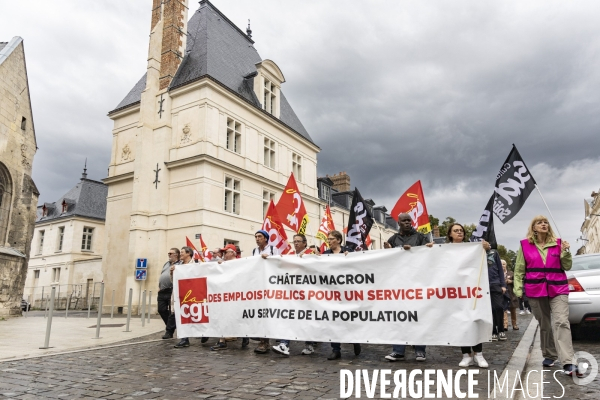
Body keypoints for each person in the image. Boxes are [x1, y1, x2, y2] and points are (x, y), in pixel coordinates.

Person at [513, 216, 580, 376]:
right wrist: (518, 289)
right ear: (534, 227)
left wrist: (565, 252)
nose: (544, 224)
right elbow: (519, 269)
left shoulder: (558, 243)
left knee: (561, 322)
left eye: (546, 222)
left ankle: (569, 362)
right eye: (540, 222)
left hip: (558, 288)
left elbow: (567, 265)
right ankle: (549, 354)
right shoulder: (525, 245)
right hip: (535, 288)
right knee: (545, 323)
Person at [446, 223, 498, 368]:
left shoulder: (472, 248)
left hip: (472, 290)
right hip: (454, 292)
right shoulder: (444, 250)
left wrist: (486, 250)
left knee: (475, 320)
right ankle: (466, 354)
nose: (459, 232)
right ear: (450, 234)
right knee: (460, 322)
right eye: (456, 231)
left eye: (461, 230)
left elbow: (487, 262)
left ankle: (479, 354)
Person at [383, 213, 433, 362]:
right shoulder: (393, 239)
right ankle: (398, 351)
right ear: (398, 223)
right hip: (399, 284)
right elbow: (387, 261)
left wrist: (425, 248)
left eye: (409, 220)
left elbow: (429, 255)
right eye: (404, 221)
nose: (407, 223)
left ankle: (420, 351)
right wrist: (388, 250)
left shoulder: (420, 237)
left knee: (418, 316)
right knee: (399, 317)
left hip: (416, 282)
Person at [273, 234, 317, 356]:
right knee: (289, 316)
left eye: (298, 241)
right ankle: (284, 344)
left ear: (304, 243)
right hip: (292, 292)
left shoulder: (311, 253)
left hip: (307, 293)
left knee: (307, 318)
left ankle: (309, 345)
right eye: (294, 241)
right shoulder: (291, 254)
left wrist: (311, 258)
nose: (296, 243)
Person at [322, 230, 361, 360]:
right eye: (327, 239)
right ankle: (336, 349)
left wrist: (350, 258)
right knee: (334, 320)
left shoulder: (348, 251)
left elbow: (358, 267)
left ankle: (355, 339)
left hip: (346, 292)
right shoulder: (325, 254)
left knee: (348, 319)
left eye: (331, 239)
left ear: (338, 240)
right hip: (332, 292)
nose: (328, 241)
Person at [210, 244, 249, 350]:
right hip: (225, 295)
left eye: (225, 252)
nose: (223, 255)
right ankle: (221, 340)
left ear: (232, 253)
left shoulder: (240, 263)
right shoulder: (223, 264)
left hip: (237, 295)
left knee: (237, 317)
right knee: (222, 316)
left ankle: (245, 334)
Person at [173, 246, 209, 348]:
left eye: (182, 252)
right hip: (182, 296)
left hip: (195, 295)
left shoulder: (197, 264)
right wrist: (173, 273)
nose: (180, 254)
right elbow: (174, 282)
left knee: (198, 315)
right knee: (184, 316)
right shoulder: (178, 266)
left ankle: (205, 333)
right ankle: (185, 339)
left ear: (188, 253)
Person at [252, 229, 280, 354]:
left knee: (268, 313)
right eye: (256, 237)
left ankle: (268, 340)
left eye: (259, 236)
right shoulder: (254, 251)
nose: (257, 239)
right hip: (258, 285)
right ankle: (263, 341)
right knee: (260, 313)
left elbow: (279, 263)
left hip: (270, 285)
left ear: (266, 238)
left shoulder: (273, 250)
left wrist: (269, 258)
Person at [158, 248, 180, 339]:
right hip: (162, 290)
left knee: (172, 312)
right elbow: (162, 274)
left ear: (176, 255)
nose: (169, 255)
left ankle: (169, 331)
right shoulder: (166, 264)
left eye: (171, 253)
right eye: (168, 253)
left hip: (172, 290)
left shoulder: (180, 264)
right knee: (161, 309)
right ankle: (171, 326)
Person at [503, 260, 519, 330]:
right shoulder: (498, 273)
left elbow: (516, 282)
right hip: (503, 294)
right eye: (501, 264)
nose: (502, 265)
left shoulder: (511, 273)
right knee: (504, 310)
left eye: (503, 264)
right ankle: (505, 325)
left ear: (506, 265)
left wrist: (511, 281)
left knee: (513, 310)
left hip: (511, 294)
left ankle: (514, 324)